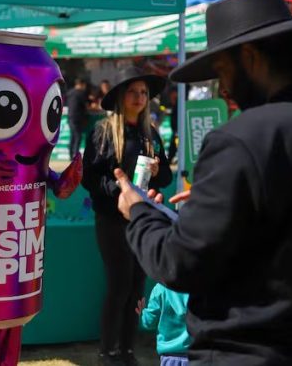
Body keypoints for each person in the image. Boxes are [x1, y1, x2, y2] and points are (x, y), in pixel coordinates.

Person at [118, 0, 292, 365]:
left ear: (250, 58)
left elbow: (180, 264)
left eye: (222, 71)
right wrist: (227, 206)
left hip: (247, 353)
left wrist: (140, 213)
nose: (225, 87)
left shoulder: (243, 139)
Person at [82, 66, 172, 366]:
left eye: (144, 92)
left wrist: (159, 174)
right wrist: (119, 190)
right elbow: (90, 178)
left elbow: (164, 177)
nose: (139, 97)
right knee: (120, 284)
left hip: (142, 219)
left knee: (136, 286)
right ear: (121, 96)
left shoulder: (150, 133)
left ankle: (127, 350)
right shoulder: (104, 131)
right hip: (111, 219)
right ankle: (108, 351)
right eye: (133, 92)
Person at [138, 281, 191, 366]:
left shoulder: (159, 289)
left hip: (169, 358)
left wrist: (143, 313)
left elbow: (149, 323)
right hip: (197, 356)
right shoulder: (200, 288)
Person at [65, 77, 89, 159]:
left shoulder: (70, 92)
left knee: (73, 136)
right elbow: (87, 106)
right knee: (78, 136)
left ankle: (71, 155)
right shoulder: (81, 93)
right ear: (82, 84)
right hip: (78, 117)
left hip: (70, 116)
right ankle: (75, 156)